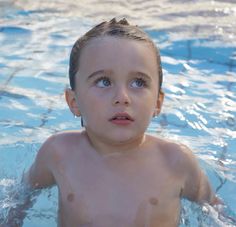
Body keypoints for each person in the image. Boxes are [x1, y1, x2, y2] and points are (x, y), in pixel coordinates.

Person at [5, 18, 220, 227]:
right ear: (74, 101)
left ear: (157, 102)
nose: (122, 97)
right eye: (104, 81)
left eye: (138, 82)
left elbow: (215, 213)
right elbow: (20, 199)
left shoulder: (176, 161)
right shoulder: (58, 153)